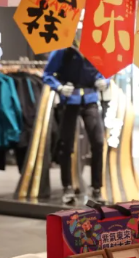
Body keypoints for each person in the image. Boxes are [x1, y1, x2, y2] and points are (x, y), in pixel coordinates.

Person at [43, 46, 109, 204]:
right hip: (69, 101)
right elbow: (47, 74)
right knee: (66, 145)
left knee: (98, 143)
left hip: (90, 100)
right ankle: (67, 186)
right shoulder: (63, 50)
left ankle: (97, 188)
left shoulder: (96, 47)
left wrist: (104, 81)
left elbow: (107, 70)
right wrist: (59, 87)